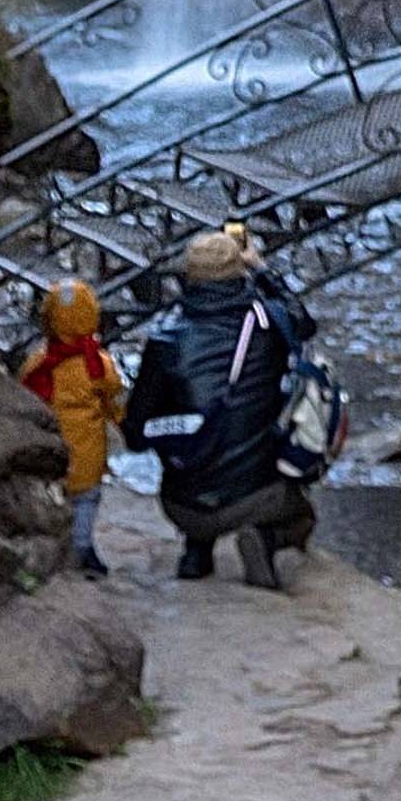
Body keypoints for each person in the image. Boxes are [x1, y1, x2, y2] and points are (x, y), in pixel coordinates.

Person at [123, 226, 323, 589]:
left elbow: (135, 435)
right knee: (299, 503)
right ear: (239, 271)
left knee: (197, 438)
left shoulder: (165, 336)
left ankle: (196, 550)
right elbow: (305, 323)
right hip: (258, 496)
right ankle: (267, 537)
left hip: (180, 504)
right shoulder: (268, 323)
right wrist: (262, 269)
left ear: (188, 276)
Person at [12, 279, 124, 579]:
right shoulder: (98, 364)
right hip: (87, 450)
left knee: (55, 496)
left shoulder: (38, 363)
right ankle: (82, 547)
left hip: (51, 447)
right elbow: (114, 398)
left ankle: (53, 548)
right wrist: (124, 423)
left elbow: (24, 399)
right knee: (86, 499)